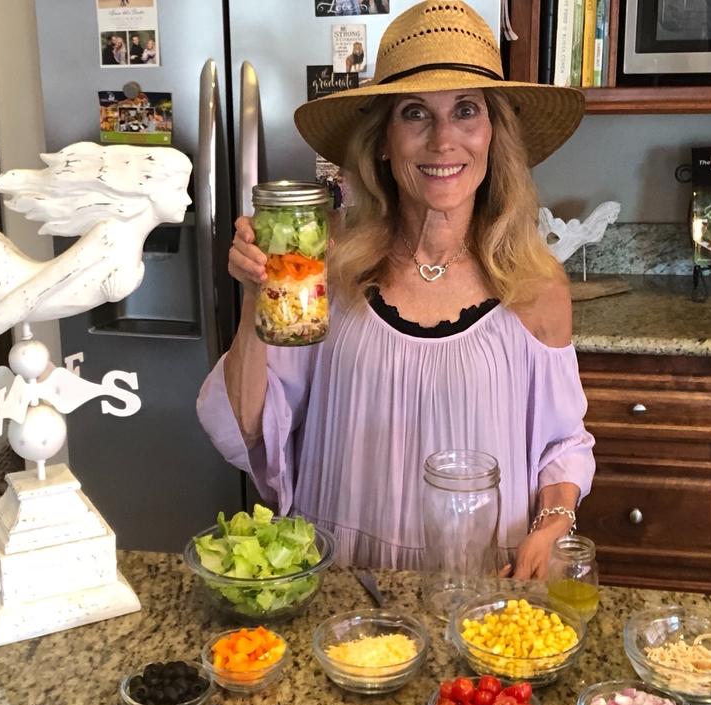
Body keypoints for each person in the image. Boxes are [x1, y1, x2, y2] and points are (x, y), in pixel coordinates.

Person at [197, 1, 591, 580]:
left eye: (466, 111)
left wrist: (552, 526)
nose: (443, 140)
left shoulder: (535, 286)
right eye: (415, 114)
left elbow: (563, 443)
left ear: (493, 135)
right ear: (383, 140)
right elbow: (250, 426)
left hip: (478, 587)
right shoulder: (324, 266)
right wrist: (258, 294)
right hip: (343, 585)